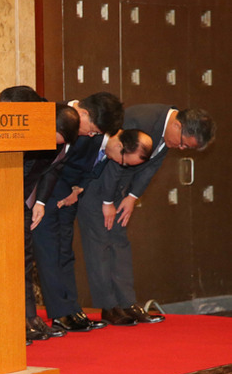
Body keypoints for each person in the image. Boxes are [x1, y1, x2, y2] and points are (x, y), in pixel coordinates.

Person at [78, 105, 215, 325]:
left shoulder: (167, 132)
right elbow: (116, 159)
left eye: (185, 147)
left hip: (118, 189)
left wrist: (132, 196)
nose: (180, 148)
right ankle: (108, 306)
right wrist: (106, 201)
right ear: (177, 125)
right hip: (98, 184)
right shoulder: (142, 120)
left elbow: (152, 166)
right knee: (100, 243)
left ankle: (127, 302)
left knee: (120, 241)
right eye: (182, 142)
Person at [32, 126, 152, 333]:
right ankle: (60, 312)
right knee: (50, 253)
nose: (120, 165)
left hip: (71, 195)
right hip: (50, 193)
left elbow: (90, 171)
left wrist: (78, 189)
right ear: (120, 145)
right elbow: (58, 165)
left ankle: (72, 309)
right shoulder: (86, 139)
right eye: (124, 161)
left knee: (66, 253)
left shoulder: (108, 149)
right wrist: (62, 192)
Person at [22, 99, 80, 342]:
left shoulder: (62, 144)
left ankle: (29, 317)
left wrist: (41, 203)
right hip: (0, 199)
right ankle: (17, 321)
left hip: (25, 200)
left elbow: (52, 171)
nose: (54, 146)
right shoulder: (21, 133)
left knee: (25, 260)